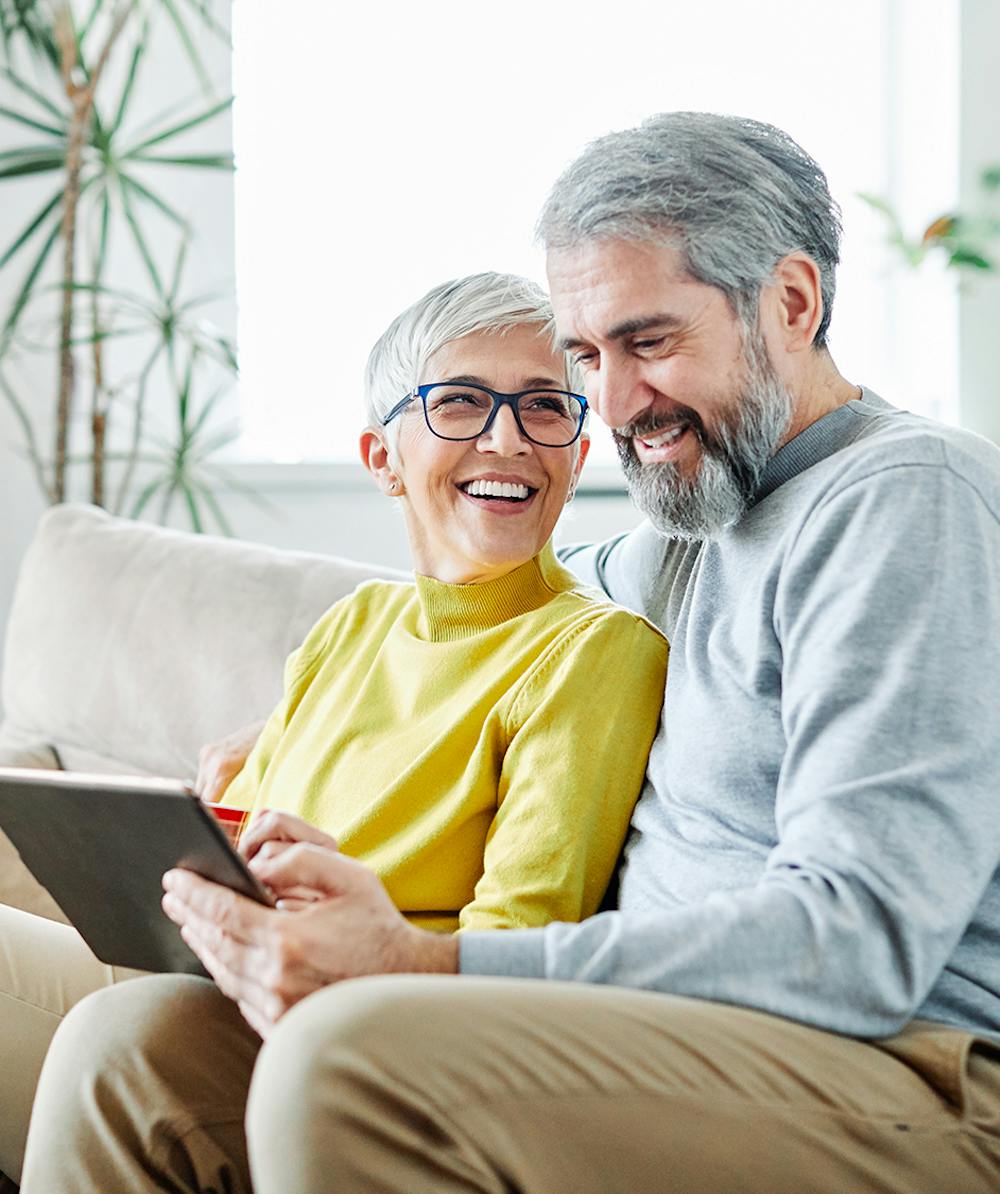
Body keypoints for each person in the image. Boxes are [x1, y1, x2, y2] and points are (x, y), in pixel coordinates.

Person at [20, 112, 1000, 1193]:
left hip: (899, 1074)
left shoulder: (906, 499)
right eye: (587, 356)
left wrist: (426, 964)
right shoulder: (694, 525)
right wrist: (306, 719)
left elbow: (858, 944)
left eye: (650, 342)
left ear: (792, 304)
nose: (614, 409)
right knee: (135, 1049)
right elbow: (492, 591)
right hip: (662, 1042)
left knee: (348, 1055)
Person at [0, 271, 666, 1185]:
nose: (507, 439)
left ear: (577, 448)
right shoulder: (355, 623)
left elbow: (519, 939)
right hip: (216, 971)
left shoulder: (596, 651)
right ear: (381, 458)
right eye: (462, 403)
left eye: (546, 408)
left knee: (121, 1036)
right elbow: (264, 820)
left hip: (357, 1030)